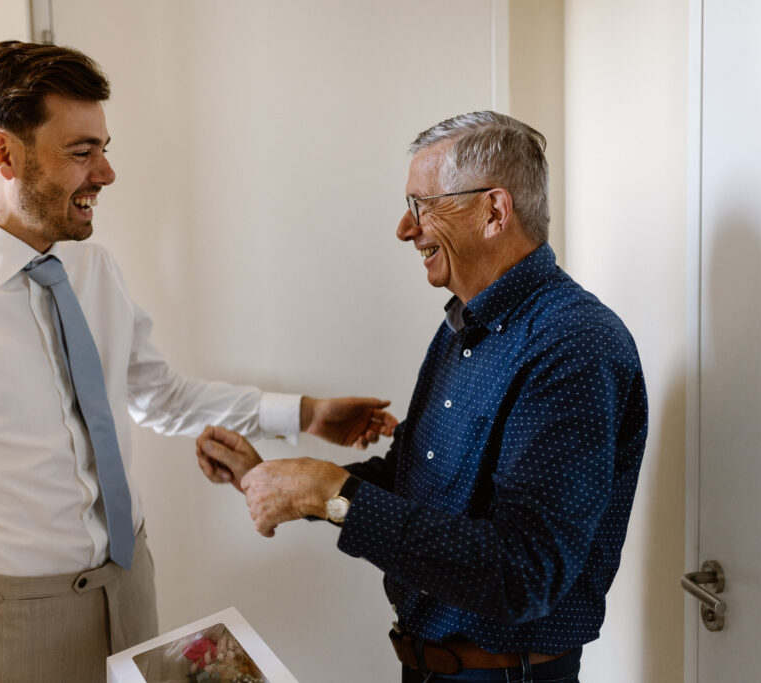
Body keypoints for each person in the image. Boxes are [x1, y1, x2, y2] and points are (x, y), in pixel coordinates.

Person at [0, 40, 397, 682]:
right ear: (2, 153)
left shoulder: (92, 267)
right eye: (82, 152)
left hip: (129, 583)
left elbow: (158, 395)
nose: (107, 173)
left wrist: (307, 414)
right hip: (10, 620)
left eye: (105, 148)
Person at [197, 111, 647, 683]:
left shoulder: (575, 345)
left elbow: (524, 573)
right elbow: (418, 484)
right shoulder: (460, 328)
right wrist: (285, 484)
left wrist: (329, 492)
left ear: (493, 211)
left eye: (420, 205)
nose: (404, 229)